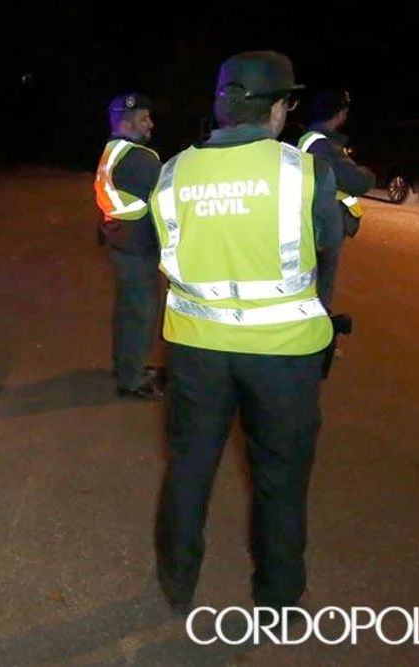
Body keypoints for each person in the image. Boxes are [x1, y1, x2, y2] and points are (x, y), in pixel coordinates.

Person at [150, 51, 344, 613]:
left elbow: (165, 249)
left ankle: (177, 584)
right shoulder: (304, 171)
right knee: (280, 478)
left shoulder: (172, 172)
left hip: (196, 350)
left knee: (189, 467)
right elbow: (329, 243)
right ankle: (278, 598)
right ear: (278, 108)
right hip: (283, 356)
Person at [93, 93, 165, 400]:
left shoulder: (113, 150)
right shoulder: (138, 158)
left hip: (121, 244)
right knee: (141, 314)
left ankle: (125, 365)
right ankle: (133, 380)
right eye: (144, 119)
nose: (151, 124)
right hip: (138, 249)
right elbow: (168, 195)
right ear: (126, 123)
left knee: (128, 311)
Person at [298, 90, 375, 307]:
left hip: (318, 218)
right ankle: (318, 320)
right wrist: (366, 174)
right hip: (323, 222)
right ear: (340, 114)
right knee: (321, 284)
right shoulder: (320, 144)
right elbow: (356, 181)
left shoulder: (314, 140)